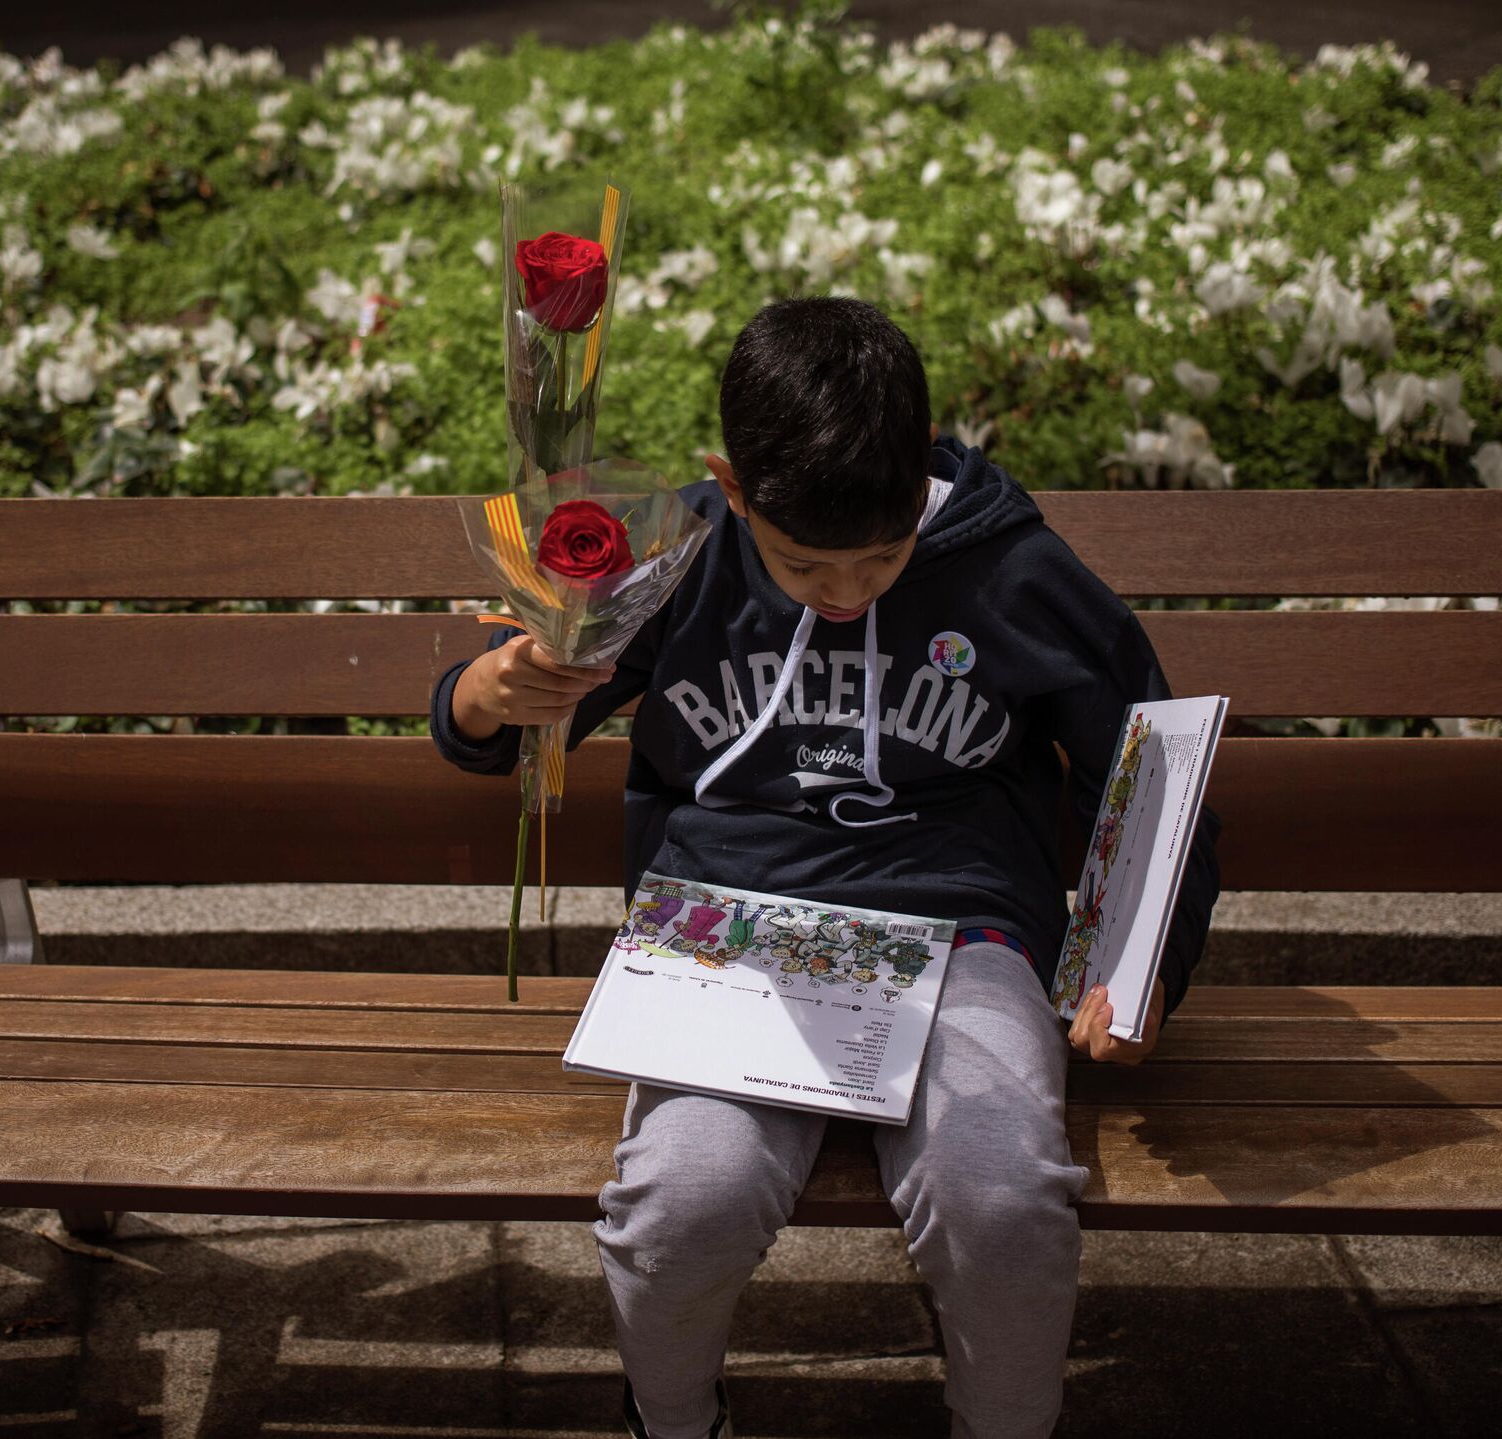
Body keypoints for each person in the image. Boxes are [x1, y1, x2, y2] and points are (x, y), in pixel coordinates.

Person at [430, 296, 1221, 1439]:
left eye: (884, 557)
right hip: (730, 929)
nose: (846, 593)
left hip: (960, 929)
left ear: (922, 469)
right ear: (735, 487)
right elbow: (500, 727)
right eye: (804, 563)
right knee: (684, 1197)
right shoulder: (682, 551)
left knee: (1000, 1196)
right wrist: (489, 690)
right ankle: (674, 1419)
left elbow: (1147, 772)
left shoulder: (1016, 569)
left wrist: (1141, 966)